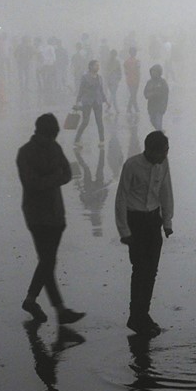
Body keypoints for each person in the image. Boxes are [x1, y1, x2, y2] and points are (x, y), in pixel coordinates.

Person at [16, 113, 85, 324]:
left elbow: (67, 174)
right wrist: (53, 178)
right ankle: (59, 309)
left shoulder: (49, 149)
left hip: (53, 213)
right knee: (47, 260)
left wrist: (49, 178)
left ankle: (32, 300)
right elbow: (33, 183)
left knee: (47, 261)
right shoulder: (27, 153)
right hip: (39, 214)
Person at [115, 131, 175, 336]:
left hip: (153, 220)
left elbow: (166, 190)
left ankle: (143, 313)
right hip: (136, 221)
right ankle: (135, 316)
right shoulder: (131, 166)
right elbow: (121, 197)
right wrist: (124, 230)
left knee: (151, 271)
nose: (165, 155)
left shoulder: (163, 164)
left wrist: (167, 221)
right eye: (163, 152)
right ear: (150, 150)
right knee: (140, 270)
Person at [73, 59, 107, 147]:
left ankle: (102, 140)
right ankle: (77, 140)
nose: (98, 67)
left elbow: (101, 90)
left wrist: (105, 100)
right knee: (85, 121)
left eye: (98, 65)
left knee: (99, 121)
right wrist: (77, 101)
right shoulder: (85, 77)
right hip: (87, 101)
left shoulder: (99, 77)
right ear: (91, 66)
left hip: (98, 101)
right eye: (96, 65)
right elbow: (81, 90)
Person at [142, 63, 170, 131]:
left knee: (158, 123)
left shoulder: (162, 82)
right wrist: (149, 95)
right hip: (151, 107)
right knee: (152, 121)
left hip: (160, 106)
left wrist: (156, 94)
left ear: (159, 72)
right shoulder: (149, 82)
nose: (153, 73)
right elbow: (145, 93)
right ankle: (161, 132)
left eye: (155, 72)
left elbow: (165, 93)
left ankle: (160, 137)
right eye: (152, 72)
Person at [123, 46, 142, 114]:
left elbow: (125, 72)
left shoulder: (126, 62)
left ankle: (132, 108)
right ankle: (133, 108)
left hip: (129, 80)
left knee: (132, 94)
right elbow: (138, 71)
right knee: (133, 94)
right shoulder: (137, 61)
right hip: (135, 80)